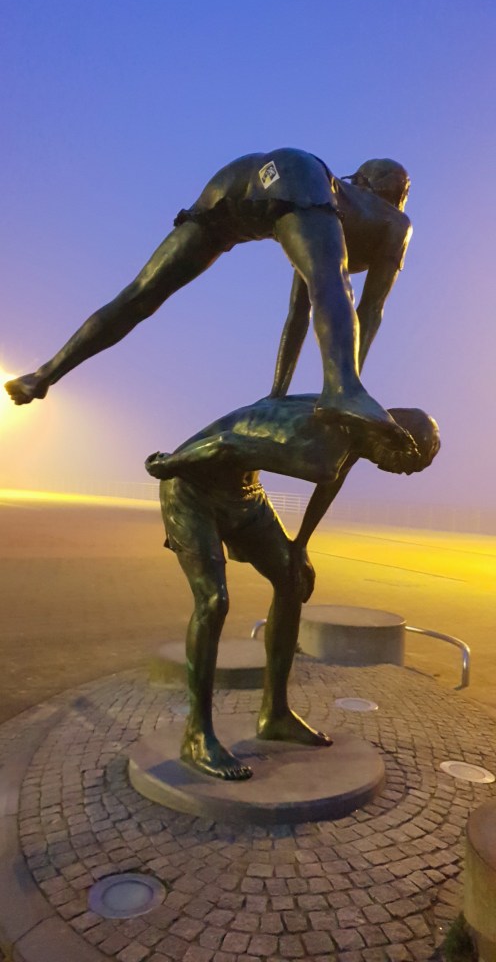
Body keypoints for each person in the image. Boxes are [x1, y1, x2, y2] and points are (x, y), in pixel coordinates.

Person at [5, 149, 417, 463]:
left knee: (141, 295)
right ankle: (343, 390)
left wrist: (275, 394)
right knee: (334, 282)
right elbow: (369, 309)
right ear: (393, 192)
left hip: (234, 183)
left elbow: (300, 312)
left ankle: (44, 375)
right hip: (294, 171)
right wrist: (352, 385)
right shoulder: (393, 221)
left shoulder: (324, 216)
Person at [145, 394, 440, 781]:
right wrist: (167, 465)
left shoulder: (355, 425)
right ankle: (197, 736)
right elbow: (226, 444)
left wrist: (299, 546)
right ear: (393, 437)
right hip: (190, 487)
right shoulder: (321, 450)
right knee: (213, 601)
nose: (400, 474)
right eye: (405, 465)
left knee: (291, 580)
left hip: (245, 493)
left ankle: (276, 714)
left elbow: (330, 484)